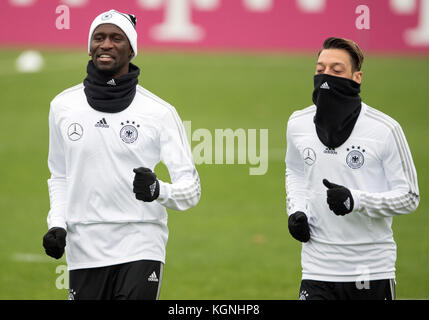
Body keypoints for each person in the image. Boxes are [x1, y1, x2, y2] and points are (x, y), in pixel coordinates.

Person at [42, 9, 201, 300]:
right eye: (98, 37)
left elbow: (191, 190)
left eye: (116, 38)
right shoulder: (62, 106)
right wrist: (56, 223)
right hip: (85, 248)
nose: (106, 44)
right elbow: (60, 175)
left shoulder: (160, 112)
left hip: (141, 241)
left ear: (131, 49)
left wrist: (157, 190)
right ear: (89, 46)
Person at [285, 37, 419, 300]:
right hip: (317, 269)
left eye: (336, 71)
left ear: (356, 77)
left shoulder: (384, 129)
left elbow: (410, 197)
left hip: (371, 270)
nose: (325, 77)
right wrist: (296, 210)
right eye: (320, 69)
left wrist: (355, 200)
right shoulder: (297, 123)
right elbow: (296, 171)